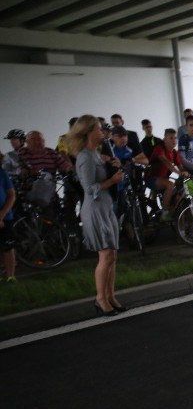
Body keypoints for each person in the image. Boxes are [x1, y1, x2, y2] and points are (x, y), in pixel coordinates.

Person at [67, 114, 127, 316]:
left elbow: (101, 162)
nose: (103, 131)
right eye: (99, 129)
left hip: (105, 206)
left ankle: (110, 295)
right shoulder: (85, 157)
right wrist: (113, 180)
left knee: (112, 255)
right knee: (105, 255)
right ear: (88, 132)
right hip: (94, 209)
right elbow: (89, 188)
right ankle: (100, 298)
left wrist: (111, 162)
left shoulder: (95, 154)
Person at [0, 167, 16, 283]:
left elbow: (11, 195)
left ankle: (11, 276)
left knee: (8, 246)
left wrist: (1, 215)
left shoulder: (2, 174)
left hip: (5, 216)